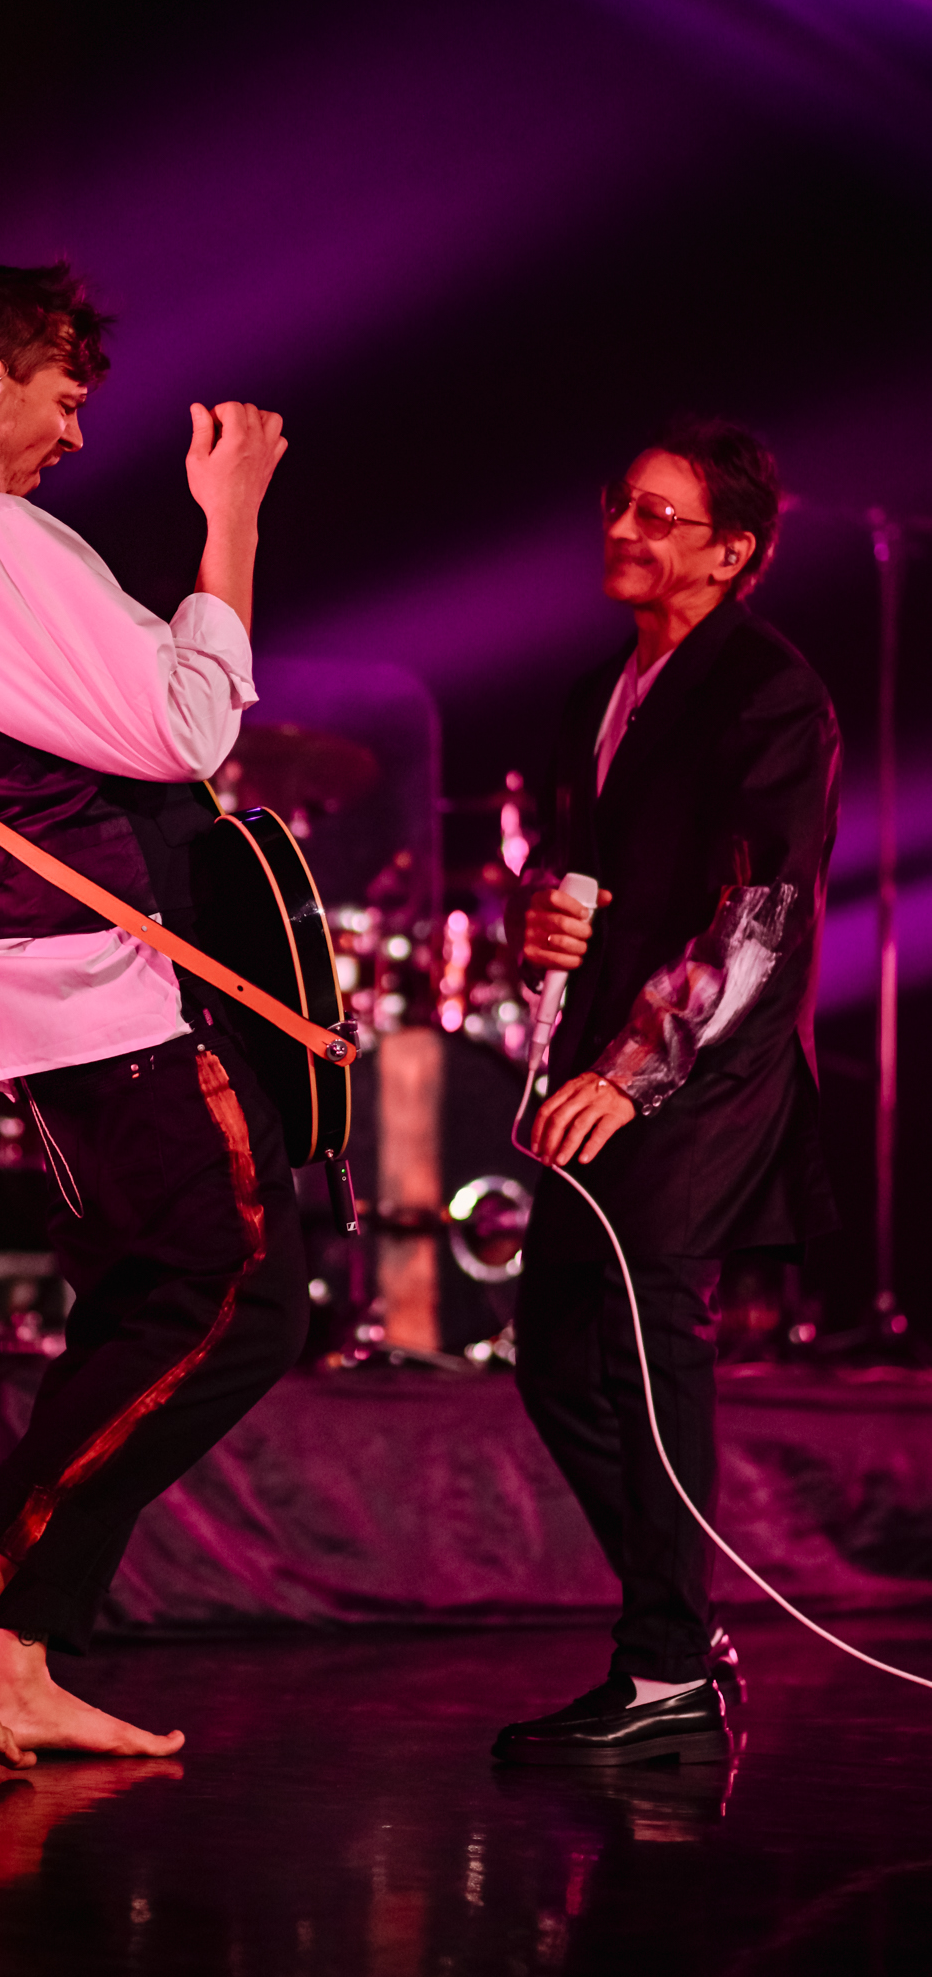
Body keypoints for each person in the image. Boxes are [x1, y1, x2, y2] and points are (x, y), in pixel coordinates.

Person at [0, 262, 307, 1766]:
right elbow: (187, 722)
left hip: (37, 1003)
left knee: (135, 1312)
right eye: (64, 399)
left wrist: (15, 892)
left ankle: (21, 1648)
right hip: (124, 991)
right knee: (237, 1305)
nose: (76, 435)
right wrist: (232, 519)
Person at [494, 417, 841, 1766]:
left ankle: (660, 1673)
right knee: (553, 1363)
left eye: (658, 514)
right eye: (620, 504)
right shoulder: (604, 686)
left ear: (732, 552)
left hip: (696, 1078)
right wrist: (538, 918)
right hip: (602, 1063)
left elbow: (759, 917)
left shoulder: (768, 692)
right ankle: (680, 1637)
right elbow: (582, 879)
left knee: (654, 1353)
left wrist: (631, 1072)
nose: (623, 530)